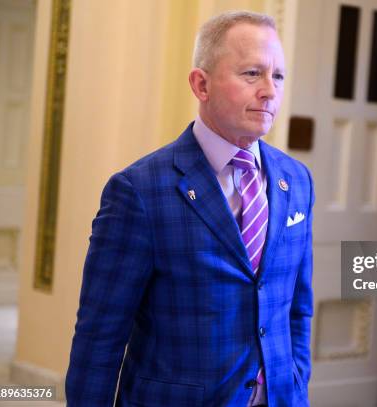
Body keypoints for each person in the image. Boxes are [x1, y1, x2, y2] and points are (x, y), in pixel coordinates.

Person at [65, 11, 314, 407]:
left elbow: (297, 309)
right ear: (202, 84)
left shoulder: (297, 180)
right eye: (252, 74)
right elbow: (100, 337)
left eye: (278, 76)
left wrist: (295, 382)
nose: (269, 91)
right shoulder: (138, 191)